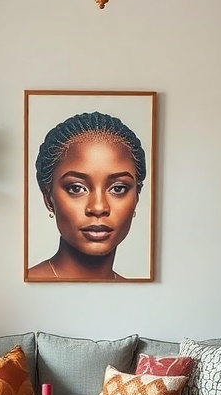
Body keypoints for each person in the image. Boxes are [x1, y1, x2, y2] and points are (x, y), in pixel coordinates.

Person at [27, 111, 147, 281]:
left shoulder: (140, 295)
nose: (98, 208)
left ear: (136, 197)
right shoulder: (20, 290)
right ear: (48, 198)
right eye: (76, 188)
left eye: (118, 188)